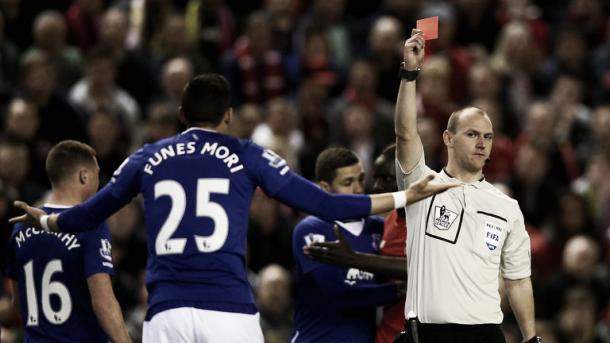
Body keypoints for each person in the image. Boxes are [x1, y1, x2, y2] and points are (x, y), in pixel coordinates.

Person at [9, 74, 457, 343]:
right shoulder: (248, 154)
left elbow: (90, 213)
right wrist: (403, 196)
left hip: (166, 315)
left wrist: (47, 218)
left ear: (181, 113)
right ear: (228, 116)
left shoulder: (146, 156)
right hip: (228, 310)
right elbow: (324, 203)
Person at [393, 30, 540, 343]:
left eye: (487, 137)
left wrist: (531, 338)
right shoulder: (422, 185)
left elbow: (517, 280)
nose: (482, 143)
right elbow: (406, 134)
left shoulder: (507, 207)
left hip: (486, 336)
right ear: (448, 138)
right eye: (472, 134)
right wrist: (410, 74)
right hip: (427, 336)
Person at [4, 140, 131, 342]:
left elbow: (18, 303)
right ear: (84, 176)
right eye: (97, 173)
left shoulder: (21, 227)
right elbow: (103, 302)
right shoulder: (91, 225)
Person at [292, 147, 402, 342]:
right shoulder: (311, 230)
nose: (358, 189)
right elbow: (340, 295)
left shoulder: (379, 227)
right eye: (347, 182)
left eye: (360, 179)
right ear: (325, 188)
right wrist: (398, 290)